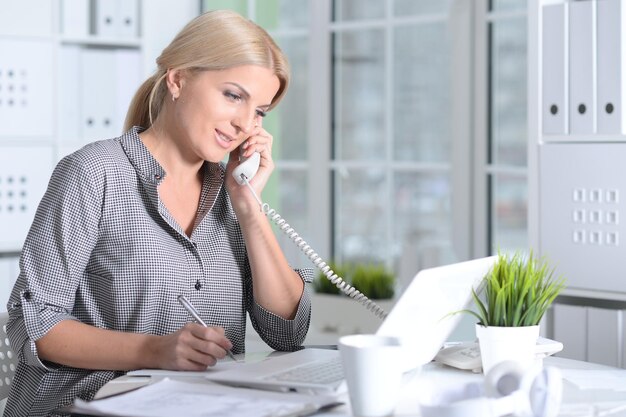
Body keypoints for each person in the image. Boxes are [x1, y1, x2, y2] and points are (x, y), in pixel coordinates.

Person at [4, 9, 312, 416]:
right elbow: (35, 324)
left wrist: (250, 209)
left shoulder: (232, 196)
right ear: (179, 79)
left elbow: (287, 332)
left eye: (259, 111)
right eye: (233, 95)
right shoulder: (93, 174)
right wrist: (155, 349)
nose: (244, 124)